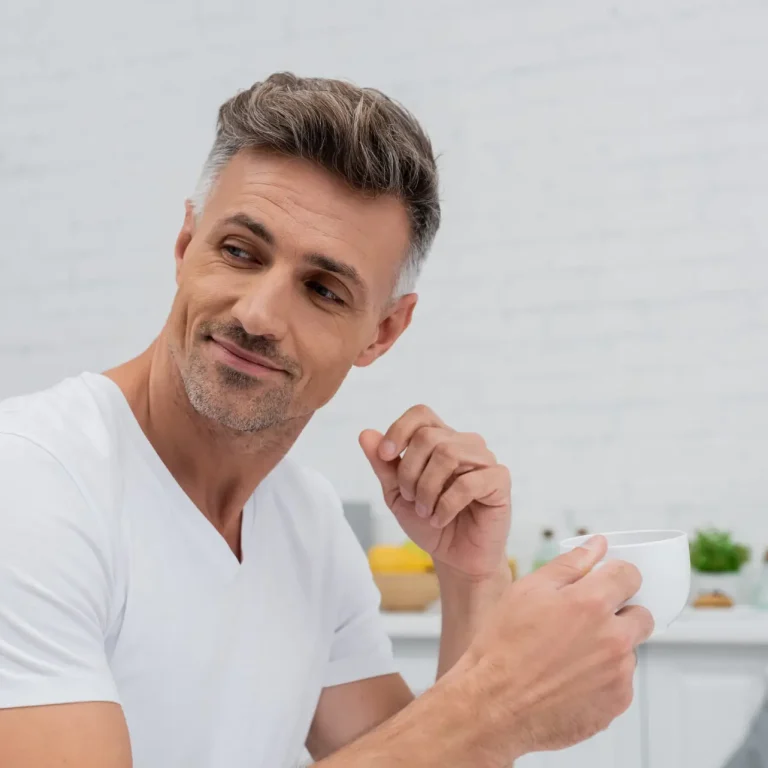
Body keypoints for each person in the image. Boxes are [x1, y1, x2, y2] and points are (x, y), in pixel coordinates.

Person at [0, 72, 653, 767]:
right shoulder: (34, 483)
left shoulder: (303, 518)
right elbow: (458, 735)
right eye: (239, 252)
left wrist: (469, 578)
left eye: (322, 289)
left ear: (383, 332)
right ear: (186, 242)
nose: (257, 315)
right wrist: (497, 705)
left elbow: (420, 757)